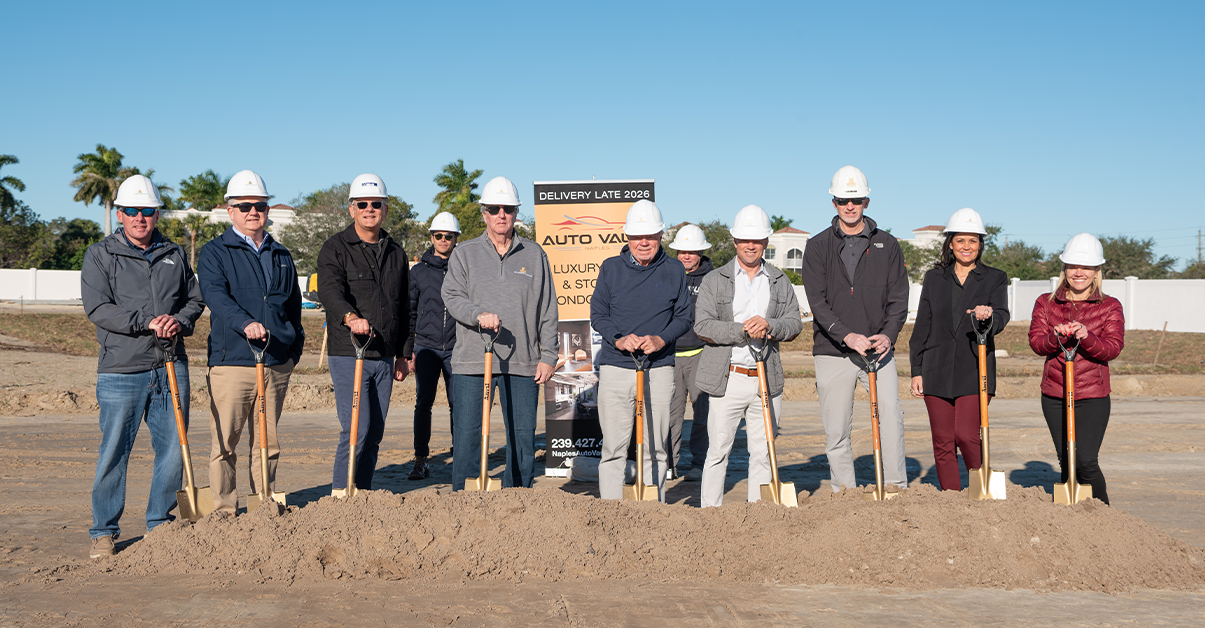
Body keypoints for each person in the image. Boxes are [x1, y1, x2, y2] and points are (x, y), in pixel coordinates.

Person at [80, 175, 205, 558]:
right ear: (120, 214)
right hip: (121, 369)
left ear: (155, 214)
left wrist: (178, 322)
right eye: (132, 211)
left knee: (172, 449)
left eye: (147, 211)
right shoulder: (100, 254)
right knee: (115, 450)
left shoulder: (175, 253)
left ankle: (159, 524)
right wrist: (145, 321)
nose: (139, 217)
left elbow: (194, 300)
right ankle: (104, 531)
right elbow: (98, 308)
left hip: (170, 365)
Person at [197, 170, 305, 514]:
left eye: (259, 205)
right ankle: (224, 510)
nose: (252, 212)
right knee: (225, 443)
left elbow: (293, 306)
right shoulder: (215, 252)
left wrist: (293, 349)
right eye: (244, 206)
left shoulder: (281, 254)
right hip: (232, 362)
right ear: (231, 211)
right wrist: (246, 324)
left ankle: (265, 504)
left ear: (268, 209)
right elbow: (216, 296)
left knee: (268, 442)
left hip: (275, 361)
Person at [442, 176, 558, 490]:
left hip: (522, 362)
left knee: (522, 438)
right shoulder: (464, 253)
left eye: (508, 208)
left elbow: (547, 308)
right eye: (494, 209)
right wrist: (477, 315)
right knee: (467, 434)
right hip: (472, 361)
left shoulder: (535, 255)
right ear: (484, 213)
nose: (501, 215)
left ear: (517, 212)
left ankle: (517, 500)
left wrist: (548, 355)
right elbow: (451, 296)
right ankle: (464, 500)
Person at [800, 165, 910, 492]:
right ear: (833, 202)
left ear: (867, 202)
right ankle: (844, 494)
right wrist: (846, 335)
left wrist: (888, 335)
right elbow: (817, 302)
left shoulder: (887, 245)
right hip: (833, 352)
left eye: (857, 200)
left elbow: (899, 299)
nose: (850, 206)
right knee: (836, 430)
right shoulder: (817, 246)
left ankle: (894, 488)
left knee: (891, 416)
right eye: (843, 200)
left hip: (879, 352)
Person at [693, 205, 803, 507]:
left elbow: (795, 324)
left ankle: (758, 516)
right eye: (744, 239)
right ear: (734, 241)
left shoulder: (780, 280)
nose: (750, 245)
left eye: (756, 240)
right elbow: (702, 325)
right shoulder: (715, 279)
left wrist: (770, 326)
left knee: (763, 452)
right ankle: (710, 514)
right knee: (717, 451)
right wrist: (741, 330)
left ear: (766, 242)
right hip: (727, 378)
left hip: (766, 379)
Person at [590, 200, 693, 502]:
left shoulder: (674, 270)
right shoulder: (610, 269)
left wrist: (661, 340)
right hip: (616, 367)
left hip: (659, 368)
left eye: (650, 235)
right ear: (627, 237)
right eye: (637, 236)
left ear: (661, 235)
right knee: (612, 447)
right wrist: (619, 339)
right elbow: (598, 314)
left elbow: (685, 317)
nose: (644, 242)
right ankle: (610, 509)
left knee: (656, 446)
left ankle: (652, 510)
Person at [316, 174, 410, 494]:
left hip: (384, 356)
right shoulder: (335, 248)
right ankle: (341, 495)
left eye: (376, 204)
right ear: (352, 209)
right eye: (363, 204)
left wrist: (403, 354)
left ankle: (364, 495)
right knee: (356, 428)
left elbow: (405, 304)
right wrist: (350, 316)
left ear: (385, 208)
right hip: (349, 352)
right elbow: (329, 291)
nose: (370, 209)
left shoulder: (396, 252)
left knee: (375, 433)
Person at [908, 208, 1010, 490]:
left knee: (966, 434)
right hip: (935, 368)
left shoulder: (994, 278)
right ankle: (951, 500)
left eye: (973, 241)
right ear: (950, 244)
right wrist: (917, 370)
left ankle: (983, 488)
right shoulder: (933, 278)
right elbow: (922, 328)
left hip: (974, 370)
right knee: (942, 441)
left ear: (980, 244)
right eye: (961, 241)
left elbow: (1002, 315)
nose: (967, 247)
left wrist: (989, 316)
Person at [1029, 233, 1123, 505]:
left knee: (1085, 461)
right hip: (1055, 392)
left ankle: (1105, 517)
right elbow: (1036, 343)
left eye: (1086, 267)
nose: (1078, 272)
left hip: (1092, 395)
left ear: (1096, 272)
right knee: (1067, 460)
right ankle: (1072, 525)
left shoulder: (1109, 305)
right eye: (1072, 266)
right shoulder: (1046, 303)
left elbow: (1113, 348)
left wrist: (1086, 335)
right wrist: (1055, 337)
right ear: (1065, 269)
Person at [402, 211, 461, 480]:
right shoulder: (418, 272)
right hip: (425, 348)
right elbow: (410, 312)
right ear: (431, 237)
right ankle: (420, 459)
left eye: (448, 236)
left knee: (458, 404)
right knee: (423, 403)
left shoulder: (463, 268)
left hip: (456, 348)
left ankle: (461, 456)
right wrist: (408, 350)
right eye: (439, 235)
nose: (443, 240)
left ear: (455, 238)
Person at [667, 224, 714, 482]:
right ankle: (669, 465)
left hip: (701, 354)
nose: (686, 256)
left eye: (692, 252)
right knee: (671, 414)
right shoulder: (666, 274)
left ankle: (699, 464)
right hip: (670, 355)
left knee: (702, 413)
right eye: (682, 251)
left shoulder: (713, 278)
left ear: (700, 253)